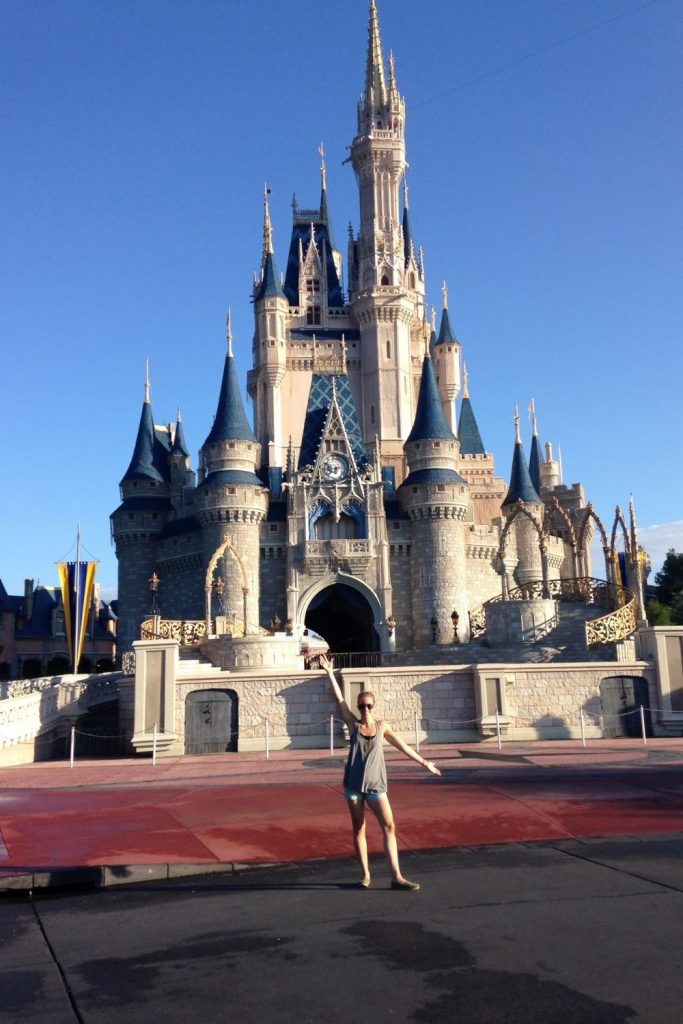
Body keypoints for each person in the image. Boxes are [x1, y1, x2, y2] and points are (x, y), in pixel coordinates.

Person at [319, 653, 441, 891]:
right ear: (358, 707)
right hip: (354, 786)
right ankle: (365, 875)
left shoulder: (382, 726)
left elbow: (403, 746)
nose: (365, 709)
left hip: (377, 786)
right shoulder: (353, 724)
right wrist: (329, 673)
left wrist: (425, 763)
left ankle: (397, 876)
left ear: (374, 706)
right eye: (362, 705)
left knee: (389, 826)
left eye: (369, 705)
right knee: (359, 828)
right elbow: (340, 699)